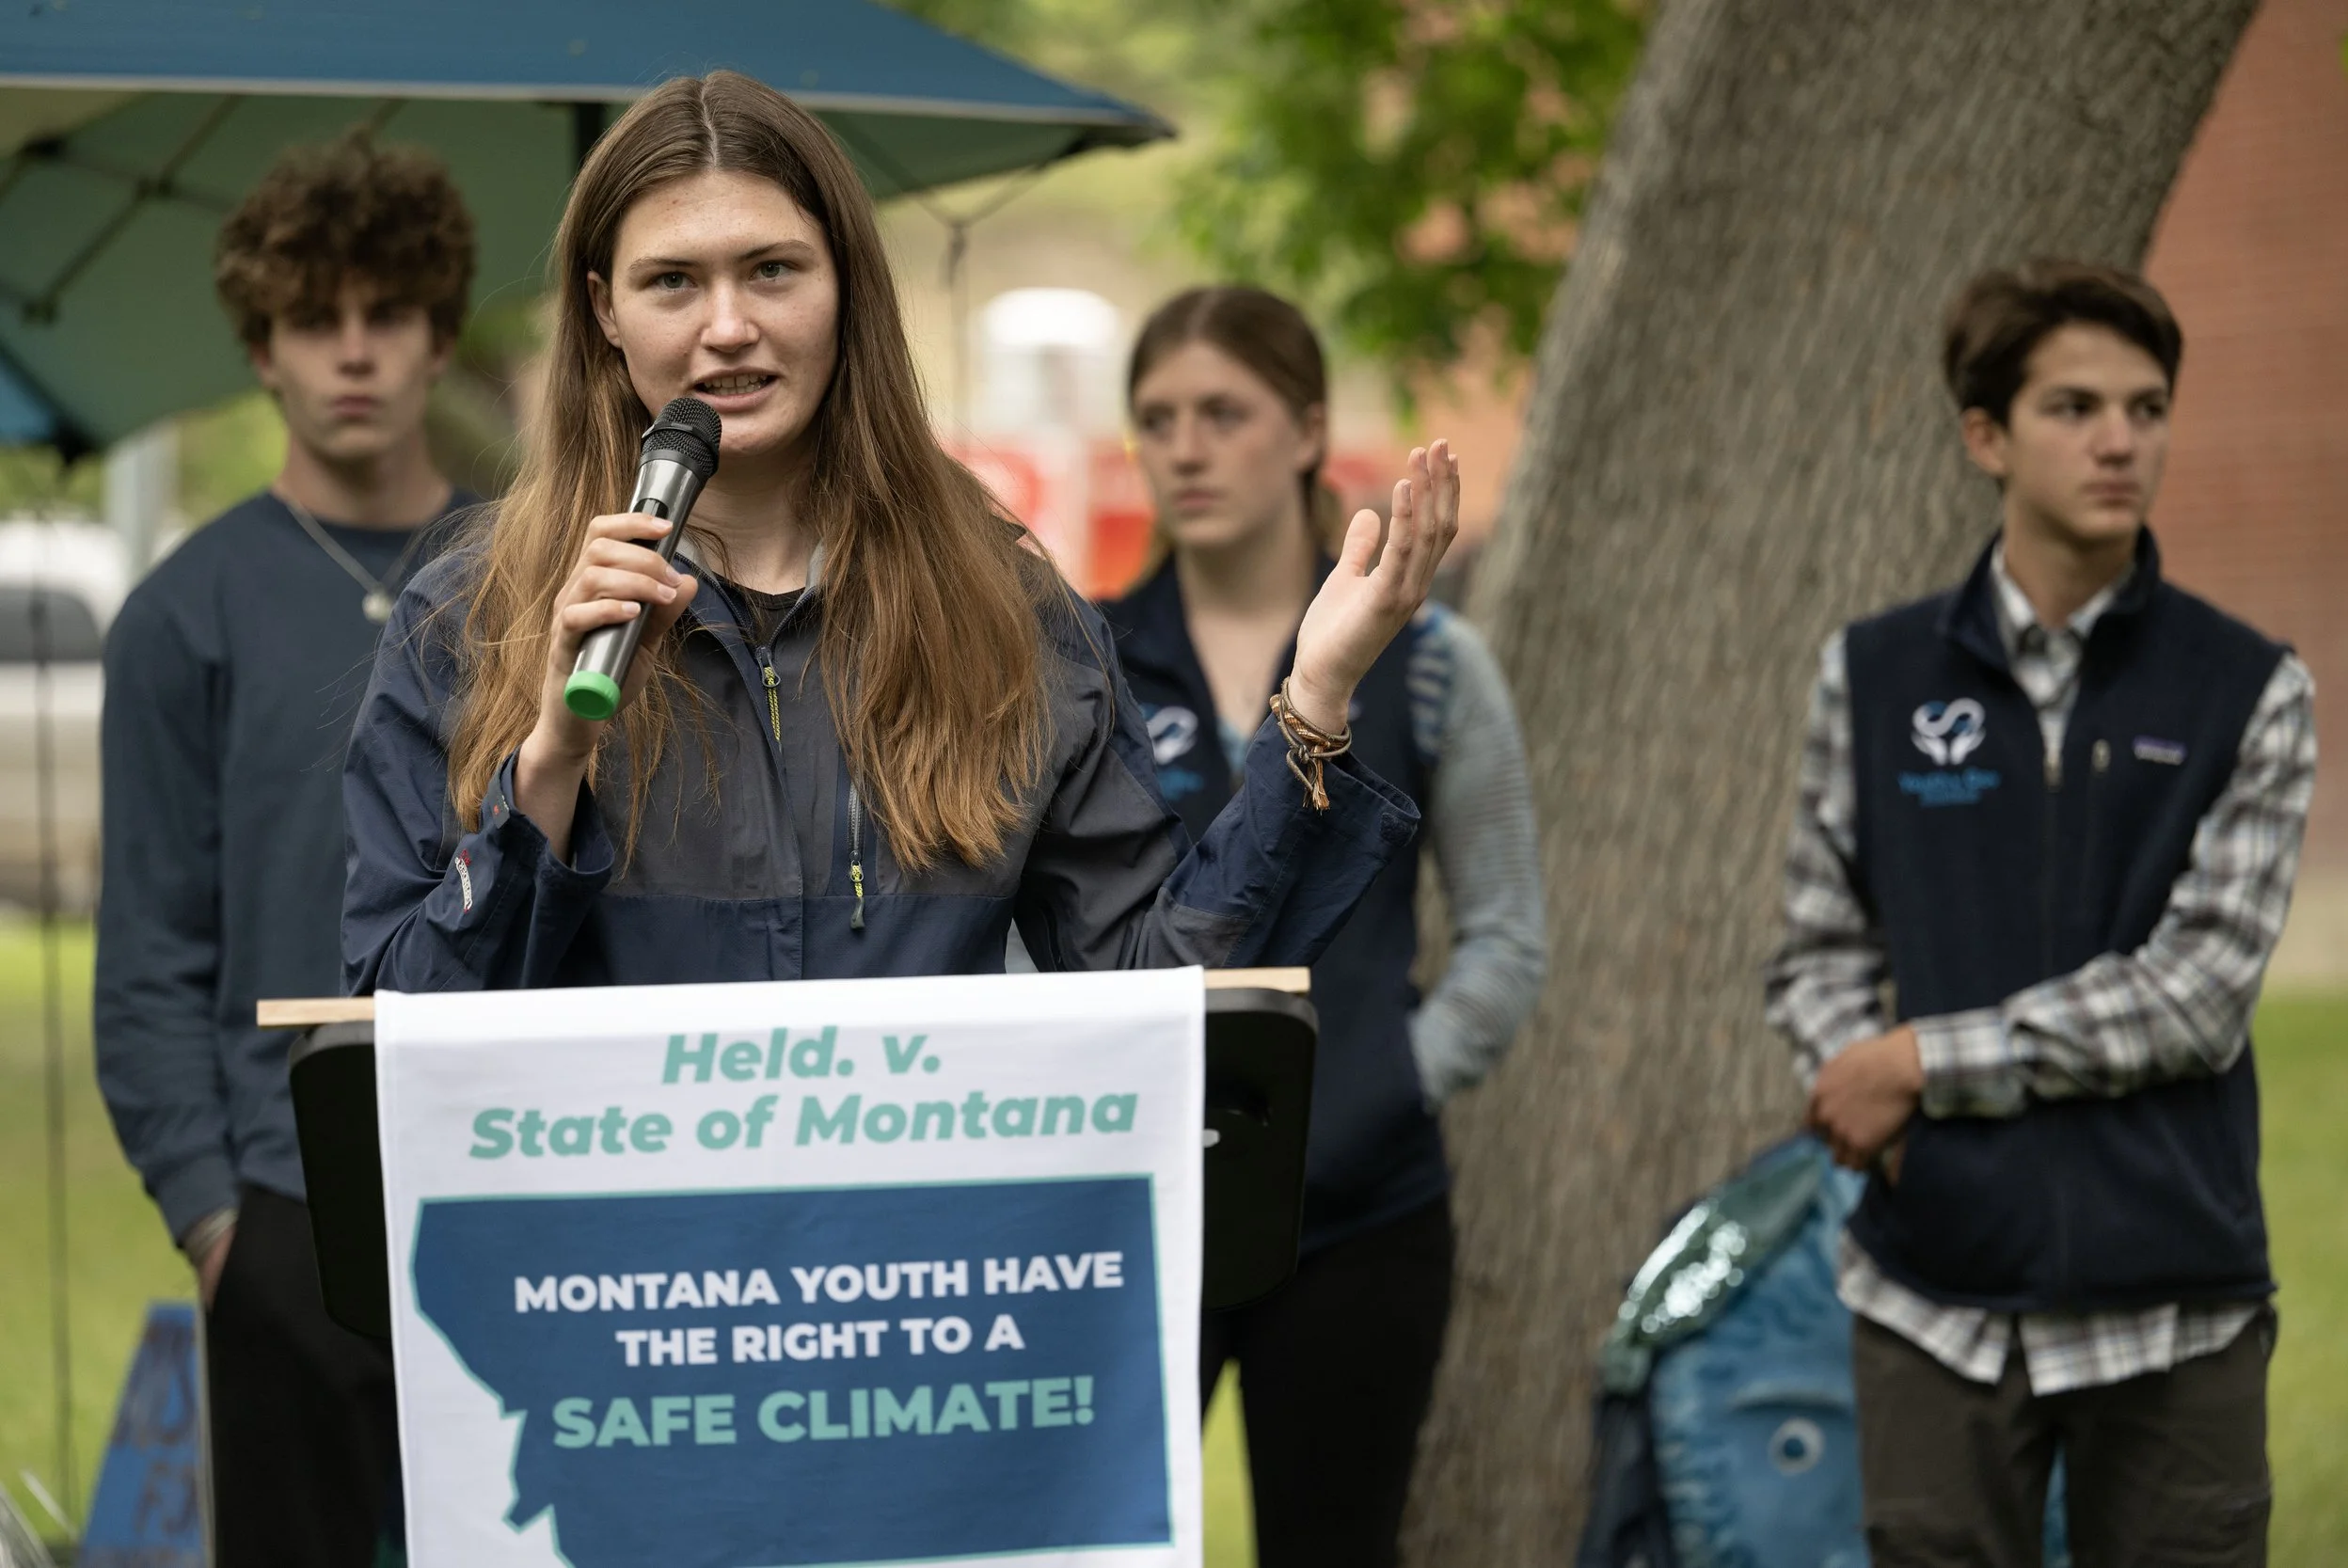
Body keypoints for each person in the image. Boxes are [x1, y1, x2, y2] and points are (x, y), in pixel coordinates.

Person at [340, 71, 1454, 1008]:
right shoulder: (468, 620)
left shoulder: (1005, 616)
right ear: (604, 312)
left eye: (772, 269)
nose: (728, 326)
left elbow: (1154, 998)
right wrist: (549, 767)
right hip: (615, 1213)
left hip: (916, 1210)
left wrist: (1314, 703)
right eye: (672, 281)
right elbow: (392, 1035)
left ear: (845, 287)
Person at [1765, 260, 2314, 1565]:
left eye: (2146, 407)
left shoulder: (2251, 687)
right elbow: (1816, 951)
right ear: (1986, 436)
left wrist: (1922, 1062)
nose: (2120, 440)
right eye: (2074, 407)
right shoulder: (1874, 674)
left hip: (2174, 1304)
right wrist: (1892, 1126)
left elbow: (2196, 996)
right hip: (1936, 1301)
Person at [1103, 286, 1543, 1568]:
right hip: (1136, 1205)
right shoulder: (1083, 660)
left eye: (1221, 413)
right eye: (1156, 419)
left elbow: (1507, 937)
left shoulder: (1435, 660)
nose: (1185, 448)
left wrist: (1383, 1085)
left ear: (1305, 429)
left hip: (1357, 1212)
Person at [95, 133, 480, 1565]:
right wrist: (214, 1223)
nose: (354, 351)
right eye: (315, 319)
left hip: (517, 1170)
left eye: (388, 312)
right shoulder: (180, 614)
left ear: (442, 333)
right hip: (284, 1203)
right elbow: (147, 952)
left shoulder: (539, 574)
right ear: (262, 349)